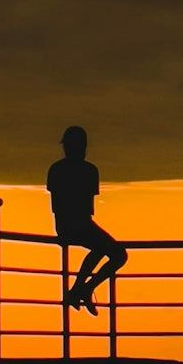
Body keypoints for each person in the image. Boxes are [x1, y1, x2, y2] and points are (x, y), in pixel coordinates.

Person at [46, 126, 127, 315]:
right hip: (77, 225)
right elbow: (85, 208)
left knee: (106, 249)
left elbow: (57, 205)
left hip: (67, 226)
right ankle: (82, 289)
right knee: (117, 254)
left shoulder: (57, 169)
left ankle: (80, 289)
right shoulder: (89, 171)